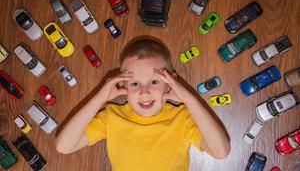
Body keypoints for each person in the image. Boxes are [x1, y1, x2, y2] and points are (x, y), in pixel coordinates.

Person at [55, 36, 231, 171]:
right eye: (134, 83)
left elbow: (221, 151)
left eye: (154, 82)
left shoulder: (183, 118)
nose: (144, 91)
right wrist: (98, 99)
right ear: (122, 84)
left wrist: (189, 99)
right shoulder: (111, 116)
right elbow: (63, 146)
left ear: (170, 82)